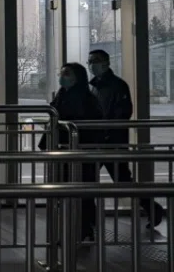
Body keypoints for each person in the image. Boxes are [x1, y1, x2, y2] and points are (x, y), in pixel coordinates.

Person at [88, 50, 166, 229]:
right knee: (94, 178)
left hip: (112, 142)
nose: (92, 65)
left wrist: (107, 131)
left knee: (120, 180)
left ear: (106, 62)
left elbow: (123, 113)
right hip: (99, 141)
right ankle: (89, 220)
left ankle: (152, 208)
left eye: (95, 61)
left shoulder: (117, 86)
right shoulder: (94, 86)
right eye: (90, 61)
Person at [48, 62, 104, 241]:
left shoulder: (86, 99)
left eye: (66, 74)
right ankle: (73, 230)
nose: (62, 77)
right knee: (67, 192)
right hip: (64, 151)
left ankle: (83, 229)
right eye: (61, 73)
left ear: (77, 78)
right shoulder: (63, 95)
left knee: (81, 193)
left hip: (80, 153)